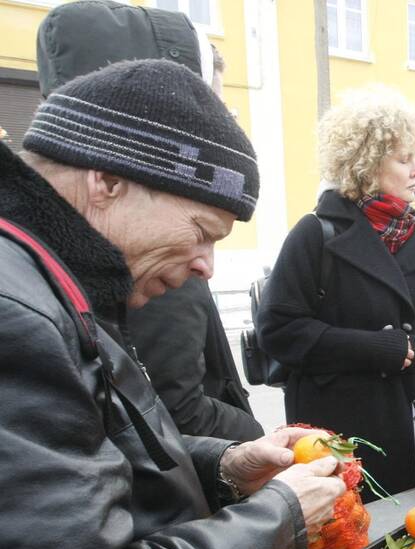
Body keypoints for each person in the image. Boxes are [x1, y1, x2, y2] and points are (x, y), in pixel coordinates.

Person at [0, 59, 345, 549]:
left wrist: (223, 466)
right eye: (202, 233)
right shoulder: (15, 310)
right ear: (107, 179)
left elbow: (91, 451)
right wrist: (279, 525)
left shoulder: (56, 282)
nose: (205, 267)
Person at [36, 0, 263, 442]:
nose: (206, 265)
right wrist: (267, 479)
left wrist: (225, 461)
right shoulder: (143, 260)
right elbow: (170, 414)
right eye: (209, 105)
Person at [257, 86, 415, 499]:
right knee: (343, 535)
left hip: (398, 414)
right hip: (334, 425)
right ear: (367, 165)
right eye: (404, 159)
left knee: (399, 528)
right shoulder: (315, 233)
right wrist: (380, 348)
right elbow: (280, 330)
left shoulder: (410, 234)